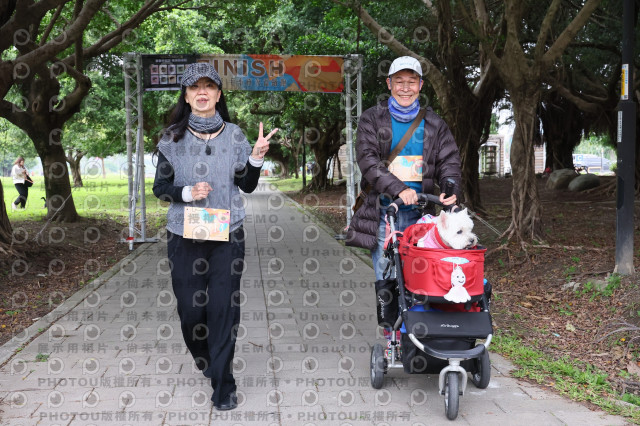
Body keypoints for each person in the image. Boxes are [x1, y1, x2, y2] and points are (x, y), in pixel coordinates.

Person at [152, 63, 277, 411]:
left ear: (219, 95)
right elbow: (160, 187)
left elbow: (246, 185)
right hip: (184, 234)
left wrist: (255, 158)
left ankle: (224, 385)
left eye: (209, 86)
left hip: (227, 233)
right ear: (186, 96)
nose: (202, 92)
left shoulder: (235, 135)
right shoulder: (172, 139)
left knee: (223, 309)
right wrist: (187, 192)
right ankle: (205, 357)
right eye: (195, 87)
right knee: (192, 311)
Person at [346, 56, 462, 281]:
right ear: (389, 84)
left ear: (421, 85)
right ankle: (388, 305)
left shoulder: (435, 123)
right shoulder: (371, 119)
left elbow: (449, 161)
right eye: (399, 81)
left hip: (421, 216)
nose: (405, 88)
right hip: (383, 213)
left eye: (412, 81)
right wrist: (400, 189)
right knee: (387, 282)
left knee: (420, 282)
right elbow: (368, 161)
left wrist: (451, 189)